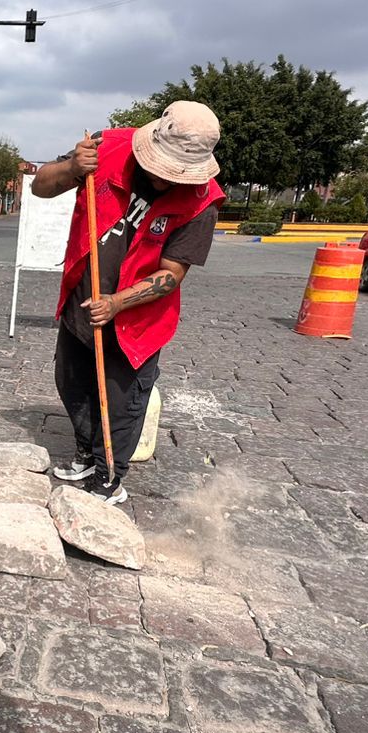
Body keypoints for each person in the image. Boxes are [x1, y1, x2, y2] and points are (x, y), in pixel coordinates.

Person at [30, 102, 225, 504]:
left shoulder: (202, 201)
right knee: (73, 384)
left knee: (121, 403)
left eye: (175, 174)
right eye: (159, 167)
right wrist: (71, 170)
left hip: (136, 319)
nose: (163, 178)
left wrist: (118, 303)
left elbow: (171, 273)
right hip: (82, 298)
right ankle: (86, 454)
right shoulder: (108, 147)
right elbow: (40, 186)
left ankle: (109, 477)